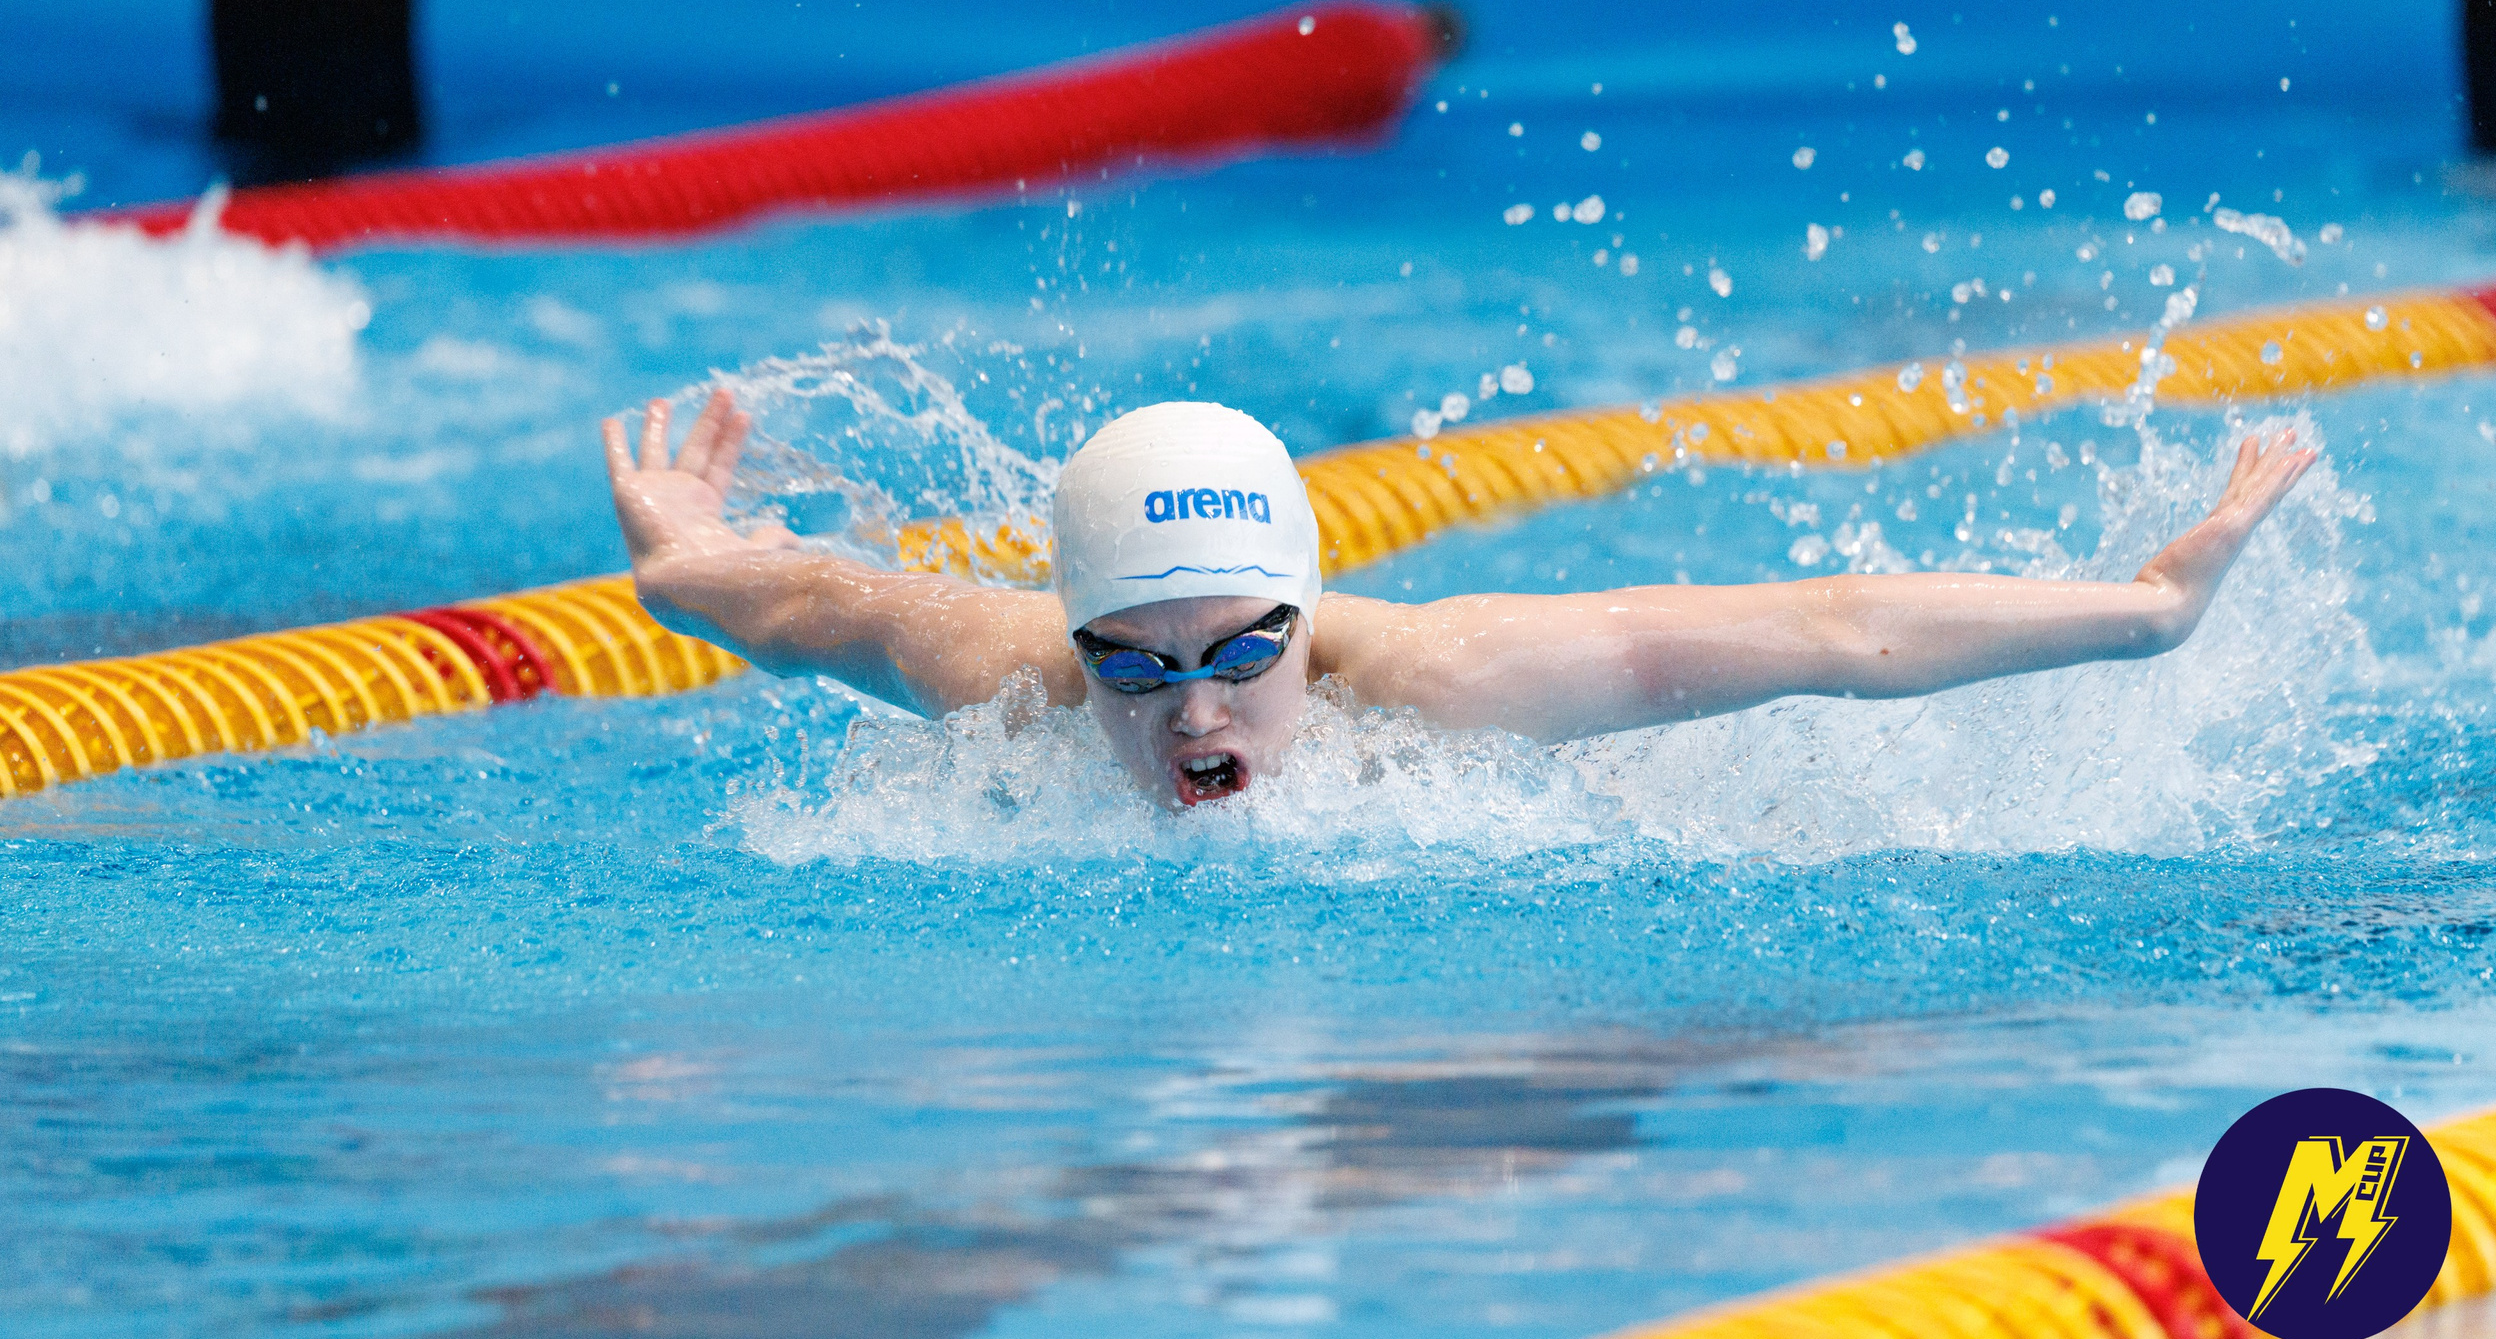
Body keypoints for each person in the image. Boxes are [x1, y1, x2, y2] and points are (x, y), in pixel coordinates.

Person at [604, 392, 2315, 810]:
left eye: (1242, 653)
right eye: (1134, 665)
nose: (1196, 715)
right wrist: (684, 546)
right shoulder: (1000, 672)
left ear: (1305, 614)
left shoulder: (1444, 686)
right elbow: (802, 599)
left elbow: (1828, 631)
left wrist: (2148, 606)